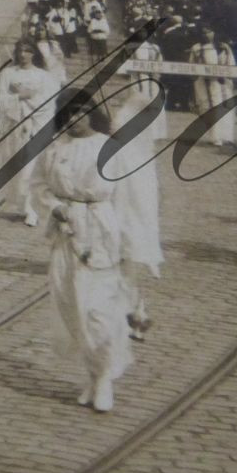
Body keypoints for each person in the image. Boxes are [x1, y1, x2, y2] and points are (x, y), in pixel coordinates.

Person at [31, 92, 131, 413]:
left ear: (93, 114)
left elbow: (126, 197)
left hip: (101, 232)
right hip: (65, 233)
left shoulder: (110, 148)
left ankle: (104, 378)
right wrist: (54, 206)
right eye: (69, 114)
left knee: (98, 310)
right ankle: (92, 373)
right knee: (70, 303)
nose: (75, 120)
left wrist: (126, 243)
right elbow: (38, 185)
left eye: (81, 113)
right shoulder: (54, 148)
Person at [110, 87, 165, 341]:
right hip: (115, 207)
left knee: (128, 256)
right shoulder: (116, 149)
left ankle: (133, 311)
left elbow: (144, 200)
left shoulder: (140, 156)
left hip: (132, 209)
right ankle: (133, 310)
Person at [0, 41, 58, 226]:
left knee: (31, 169)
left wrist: (30, 96)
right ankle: (22, 205)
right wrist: (19, 97)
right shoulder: (8, 74)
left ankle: (32, 209)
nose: (23, 54)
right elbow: (0, 100)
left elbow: (50, 101)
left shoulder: (44, 76)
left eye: (28, 51)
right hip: (15, 126)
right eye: (20, 51)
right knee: (16, 168)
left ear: (34, 54)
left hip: (36, 126)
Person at [189, 27, 237, 147]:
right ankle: (215, 137)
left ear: (214, 33)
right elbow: (191, 66)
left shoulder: (223, 47)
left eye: (209, 32)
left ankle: (227, 136)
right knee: (211, 108)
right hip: (205, 83)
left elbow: (231, 64)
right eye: (203, 32)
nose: (206, 35)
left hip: (223, 83)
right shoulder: (197, 48)